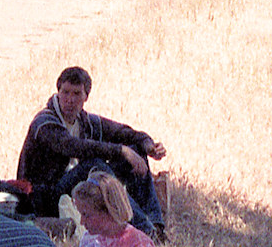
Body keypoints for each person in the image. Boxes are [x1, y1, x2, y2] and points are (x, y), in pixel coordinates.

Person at [17, 66, 167, 235]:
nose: (69, 100)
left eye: (76, 94)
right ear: (57, 93)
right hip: (45, 195)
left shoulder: (86, 121)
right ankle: (144, 230)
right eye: (65, 92)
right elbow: (72, 146)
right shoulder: (44, 122)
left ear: (86, 97)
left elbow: (121, 132)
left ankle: (155, 224)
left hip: (74, 186)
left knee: (136, 151)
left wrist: (148, 145)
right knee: (94, 165)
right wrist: (121, 151)